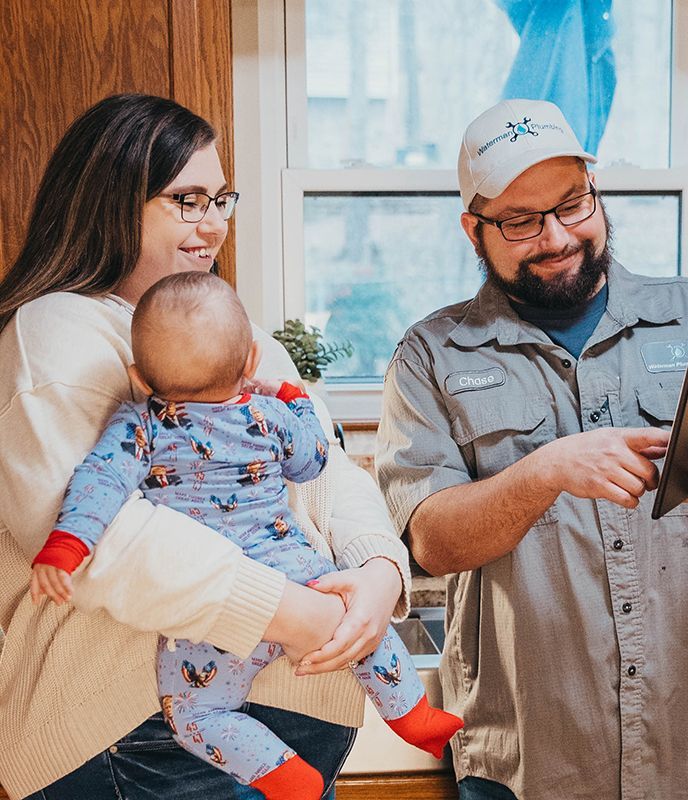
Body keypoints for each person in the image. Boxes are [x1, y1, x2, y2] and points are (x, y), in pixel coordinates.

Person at [376, 98, 688, 800]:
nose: (556, 236)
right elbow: (432, 542)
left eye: (574, 204)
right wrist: (543, 472)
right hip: (529, 761)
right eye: (520, 221)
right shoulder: (431, 356)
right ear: (472, 230)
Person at [0, 93, 411, 800]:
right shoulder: (58, 331)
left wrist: (379, 577)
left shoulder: (237, 342)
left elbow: (326, 474)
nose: (214, 224)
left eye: (222, 198)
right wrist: (305, 614)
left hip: (276, 726)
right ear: (110, 200)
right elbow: (104, 540)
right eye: (188, 200)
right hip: (143, 738)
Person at [30, 271, 463, 800]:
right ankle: (414, 715)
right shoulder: (269, 415)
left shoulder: (140, 425)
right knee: (365, 634)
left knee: (196, 713)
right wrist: (292, 398)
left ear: (139, 377)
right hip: (298, 573)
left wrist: (68, 542)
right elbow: (313, 461)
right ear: (251, 363)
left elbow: (100, 480)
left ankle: (278, 771)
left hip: (211, 620)